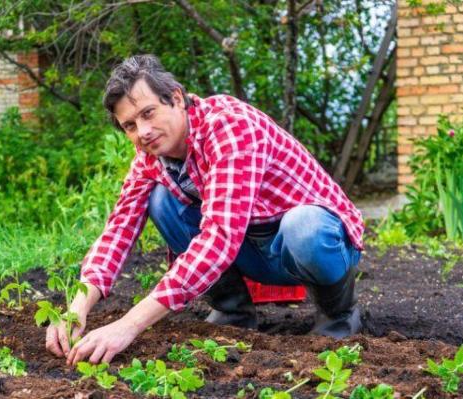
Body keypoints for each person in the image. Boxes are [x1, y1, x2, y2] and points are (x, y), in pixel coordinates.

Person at [46, 54, 365, 366]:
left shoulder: (229, 128)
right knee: (160, 200)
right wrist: (76, 306)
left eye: (148, 113)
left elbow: (220, 238)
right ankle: (233, 311)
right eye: (130, 125)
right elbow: (118, 230)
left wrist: (128, 325)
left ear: (176, 98)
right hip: (249, 249)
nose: (142, 131)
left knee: (304, 225)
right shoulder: (150, 157)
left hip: (311, 244)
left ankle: (338, 314)